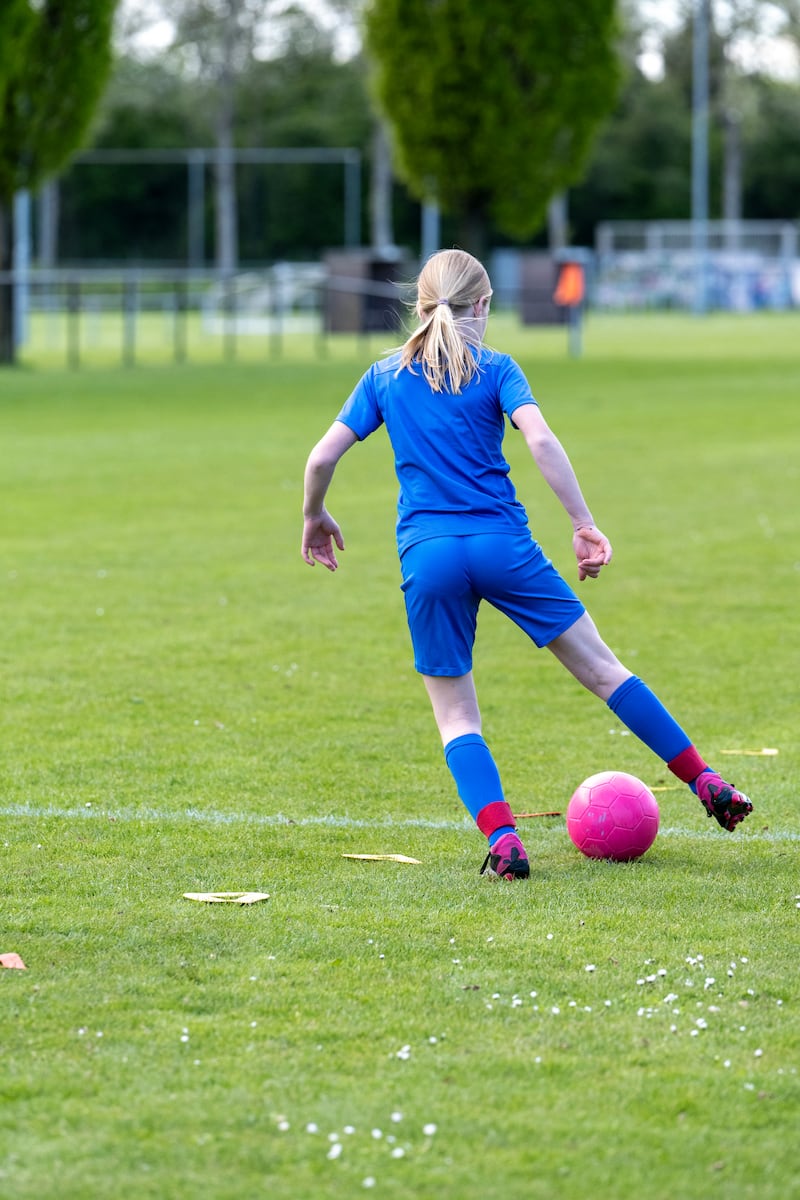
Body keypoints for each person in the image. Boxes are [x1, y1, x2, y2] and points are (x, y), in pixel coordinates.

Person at [301, 249, 752, 881]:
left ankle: (504, 838)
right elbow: (539, 437)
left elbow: (321, 457)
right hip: (504, 548)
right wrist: (582, 522)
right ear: (483, 305)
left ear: (421, 306)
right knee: (605, 672)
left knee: (458, 717)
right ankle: (705, 781)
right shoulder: (497, 369)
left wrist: (314, 515)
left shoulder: (383, 377)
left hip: (429, 557)